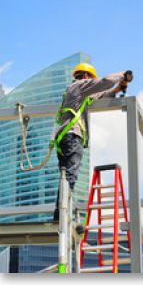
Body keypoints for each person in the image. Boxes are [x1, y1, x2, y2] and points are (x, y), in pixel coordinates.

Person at [53, 62, 131, 221]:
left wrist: (118, 88)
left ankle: (59, 213)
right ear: (87, 76)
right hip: (72, 136)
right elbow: (106, 81)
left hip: (64, 137)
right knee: (70, 176)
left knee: (65, 176)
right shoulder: (81, 85)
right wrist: (123, 75)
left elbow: (103, 93)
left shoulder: (77, 92)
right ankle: (61, 214)